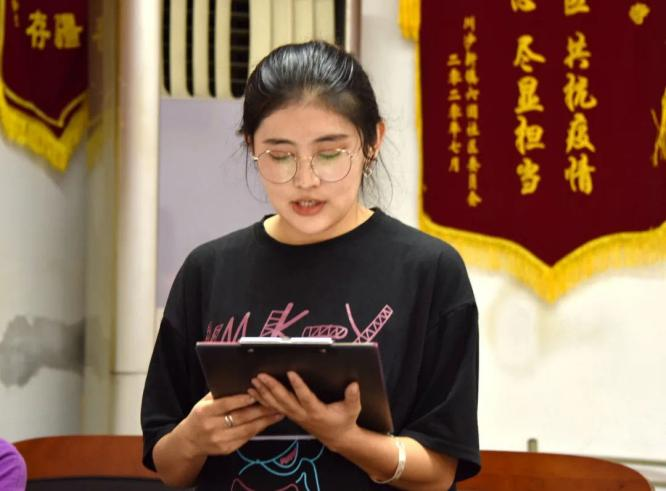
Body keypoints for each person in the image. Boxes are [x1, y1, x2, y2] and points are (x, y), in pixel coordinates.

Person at [141, 40, 480, 490]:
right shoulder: (208, 270)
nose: (305, 179)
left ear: (373, 141)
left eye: (330, 153)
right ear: (251, 146)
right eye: (280, 156)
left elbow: (438, 473)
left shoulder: (429, 271)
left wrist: (346, 438)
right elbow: (168, 466)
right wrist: (193, 438)